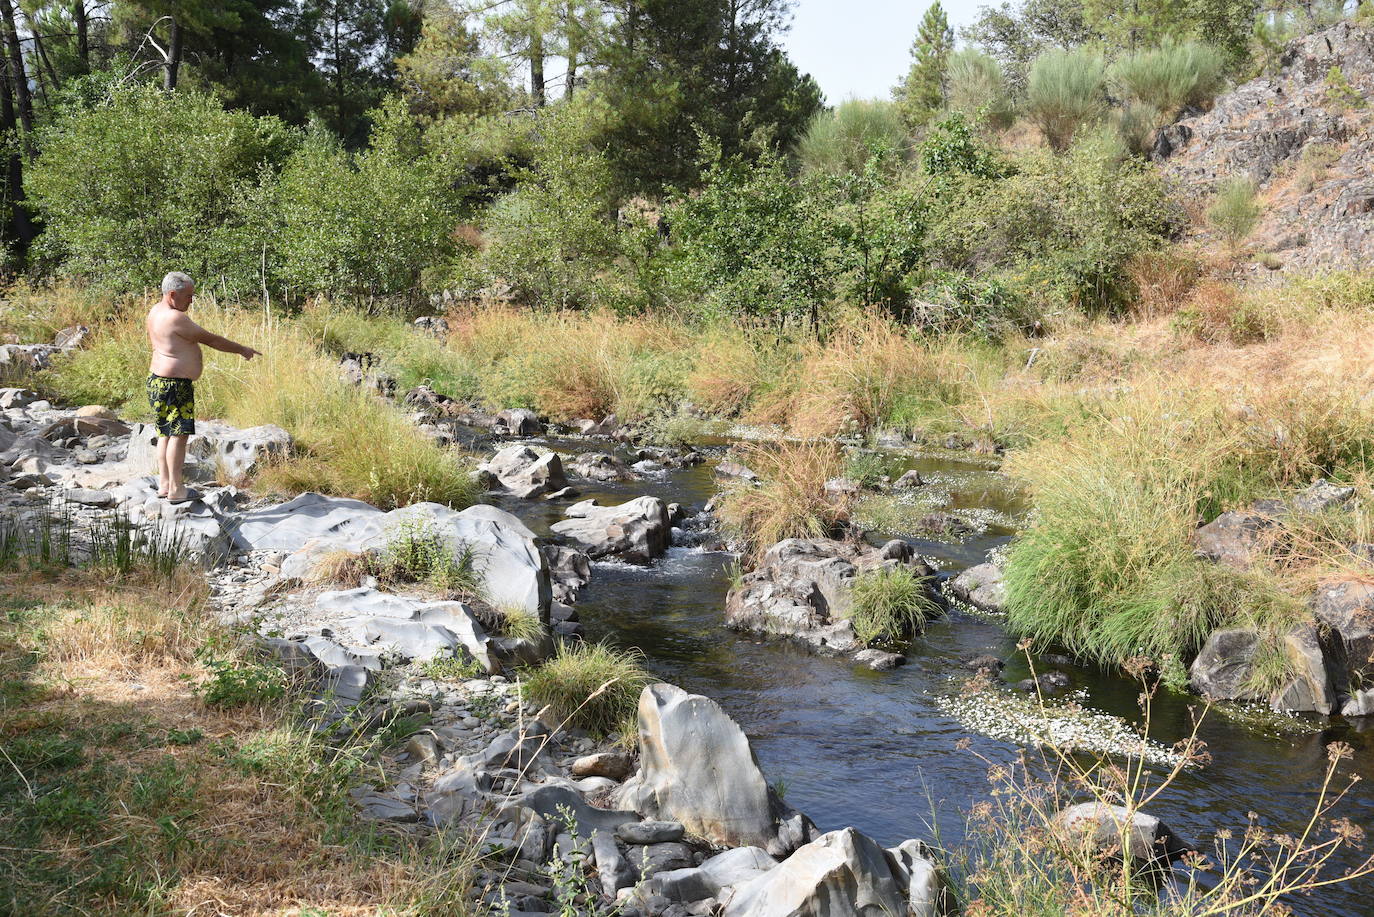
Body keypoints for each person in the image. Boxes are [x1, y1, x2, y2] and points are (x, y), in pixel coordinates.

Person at [146, 271, 260, 503]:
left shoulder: (155, 311)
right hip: (174, 385)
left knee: (165, 433)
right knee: (179, 435)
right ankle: (177, 490)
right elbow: (212, 339)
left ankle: (165, 484)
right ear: (172, 294)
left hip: (158, 381)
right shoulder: (175, 318)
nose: (191, 300)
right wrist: (242, 349)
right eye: (188, 296)